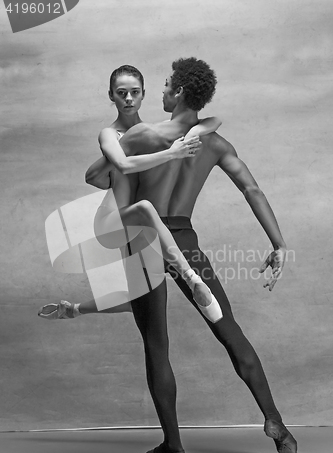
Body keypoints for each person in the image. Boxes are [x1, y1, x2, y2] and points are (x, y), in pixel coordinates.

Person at [86, 57, 298, 453]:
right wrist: (279, 244)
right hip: (183, 236)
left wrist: (118, 152)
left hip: (143, 237)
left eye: (166, 85)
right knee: (228, 328)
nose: (161, 91)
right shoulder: (214, 142)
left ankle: (173, 446)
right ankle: (275, 423)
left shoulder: (145, 134)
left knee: (156, 343)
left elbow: (96, 175)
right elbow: (251, 188)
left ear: (179, 91)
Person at [38, 65, 223, 323]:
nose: (128, 99)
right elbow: (122, 165)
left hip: (141, 225)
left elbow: (214, 120)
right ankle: (192, 278)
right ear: (111, 95)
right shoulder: (110, 134)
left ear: (143, 94)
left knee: (138, 300)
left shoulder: (150, 132)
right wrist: (172, 153)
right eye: (121, 93)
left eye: (134, 92)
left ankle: (73, 309)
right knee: (146, 207)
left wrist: (193, 133)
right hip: (111, 221)